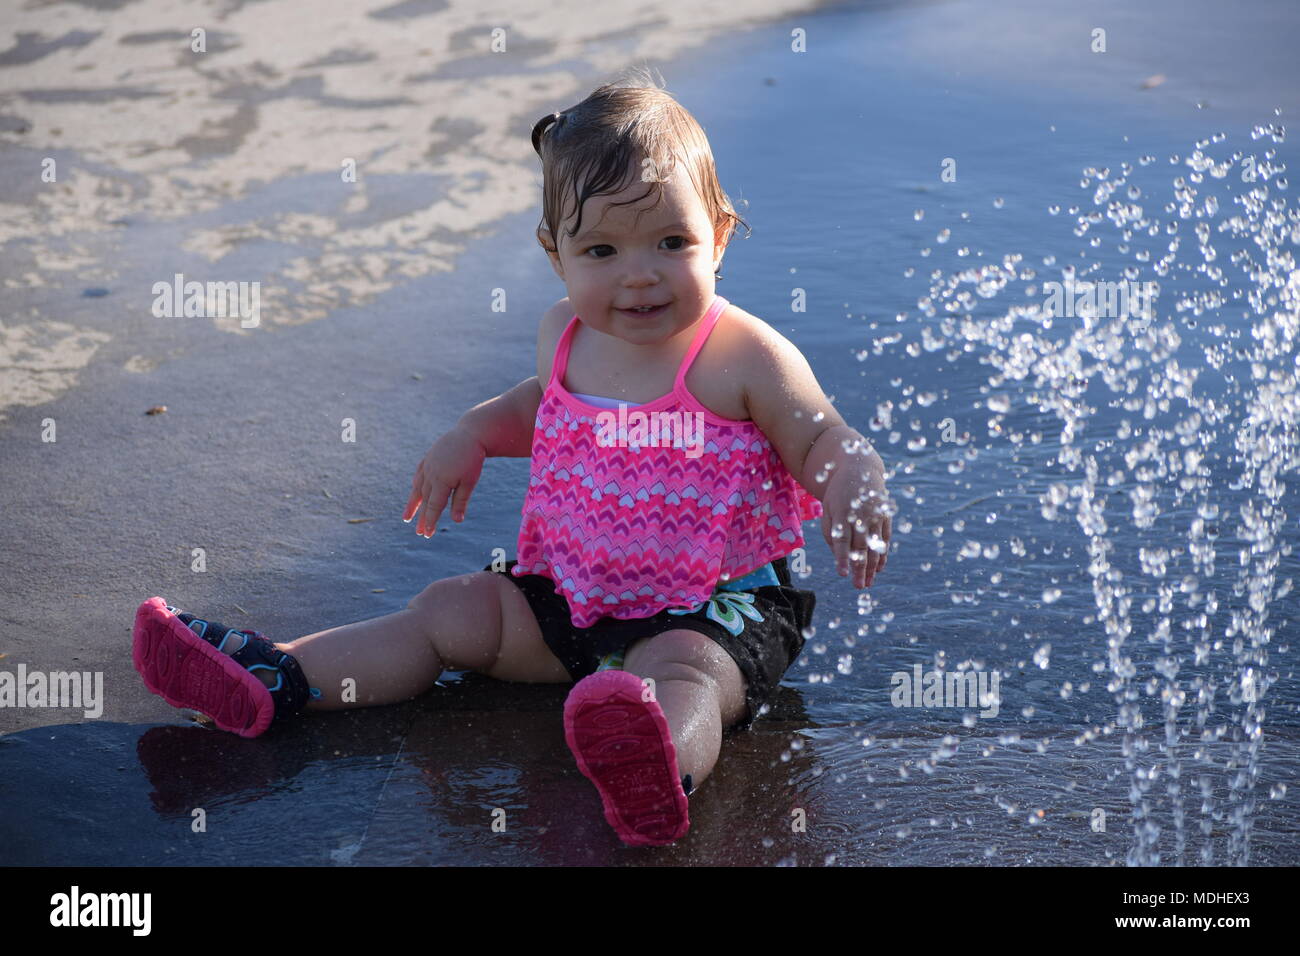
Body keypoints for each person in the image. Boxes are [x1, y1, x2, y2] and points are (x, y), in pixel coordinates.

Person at [133, 70, 892, 848]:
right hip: (576, 597)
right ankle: (280, 676)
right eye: (602, 248)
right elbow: (543, 407)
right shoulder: (567, 335)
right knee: (448, 614)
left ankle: (656, 762)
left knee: (687, 674)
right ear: (555, 254)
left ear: (720, 234)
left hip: (716, 606)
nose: (639, 273)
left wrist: (854, 484)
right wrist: (474, 433)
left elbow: (821, 436)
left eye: (672, 242)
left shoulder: (741, 354)